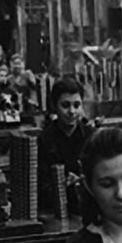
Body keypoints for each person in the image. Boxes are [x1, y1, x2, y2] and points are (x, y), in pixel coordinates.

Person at [37, 76, 94, 214]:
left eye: (76, 105)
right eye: (65, 105)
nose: (72, 112)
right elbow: (40, 188)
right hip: (54, 211)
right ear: (54, 106)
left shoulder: (92, 137)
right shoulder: (44, 141)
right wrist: (62, 184)